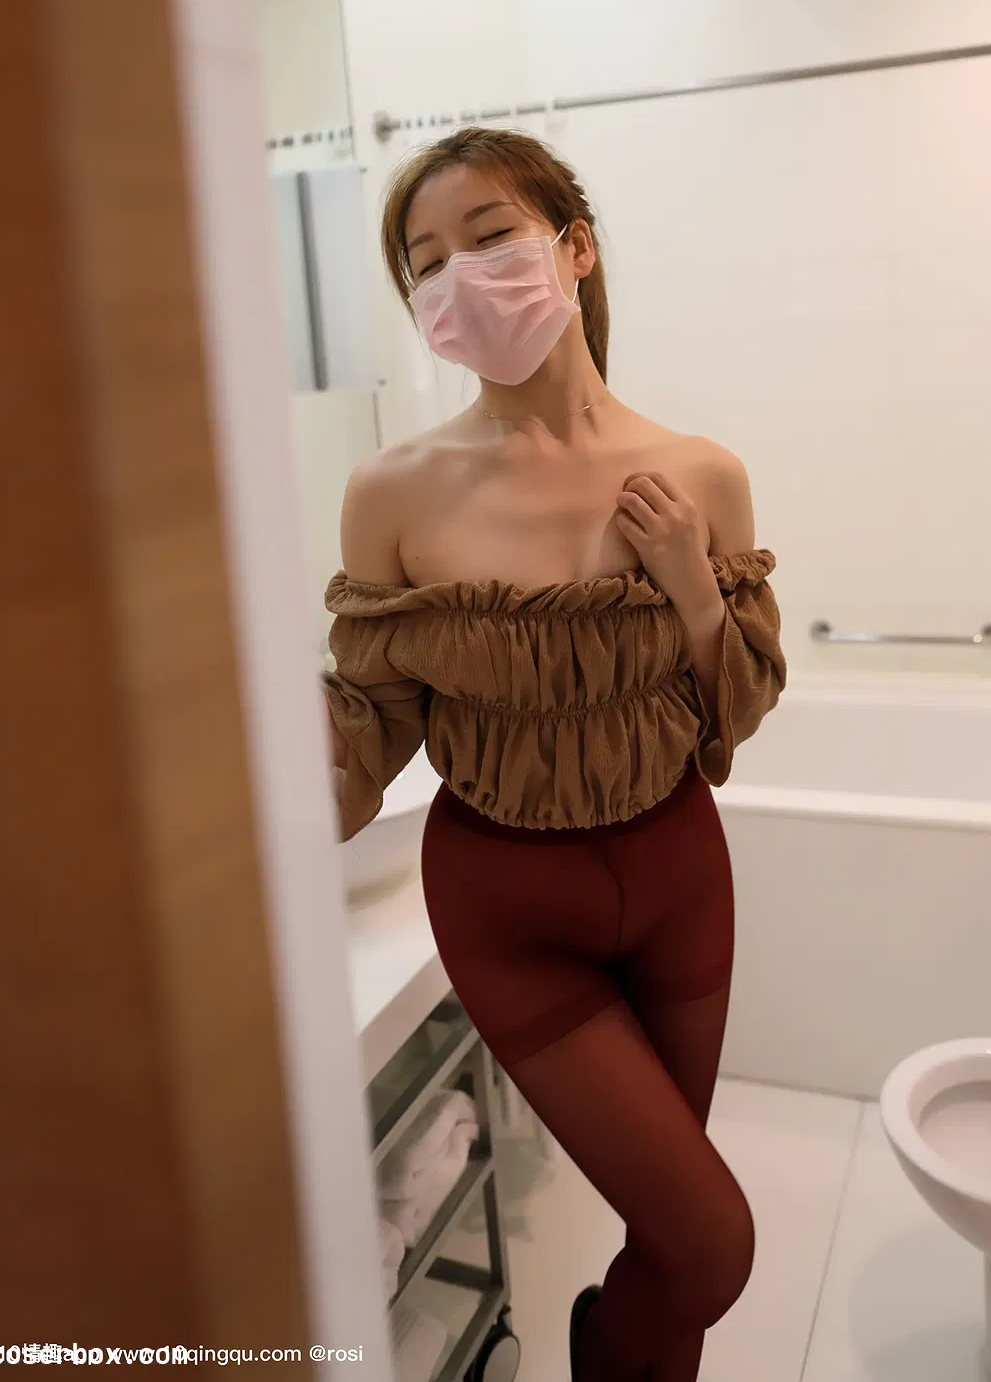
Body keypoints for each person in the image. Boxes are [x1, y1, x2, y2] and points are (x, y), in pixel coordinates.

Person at [321, 127, 786, 1382]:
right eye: (426, 262)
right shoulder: (392, 493)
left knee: (670, 1246)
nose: (459, 277)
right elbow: (372, 724)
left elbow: (732, 719)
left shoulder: (702, 476)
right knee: (715, 1244)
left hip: (680, 877)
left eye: (489, 238)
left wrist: (694, 587)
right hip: (508, 906)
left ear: (574, 250)